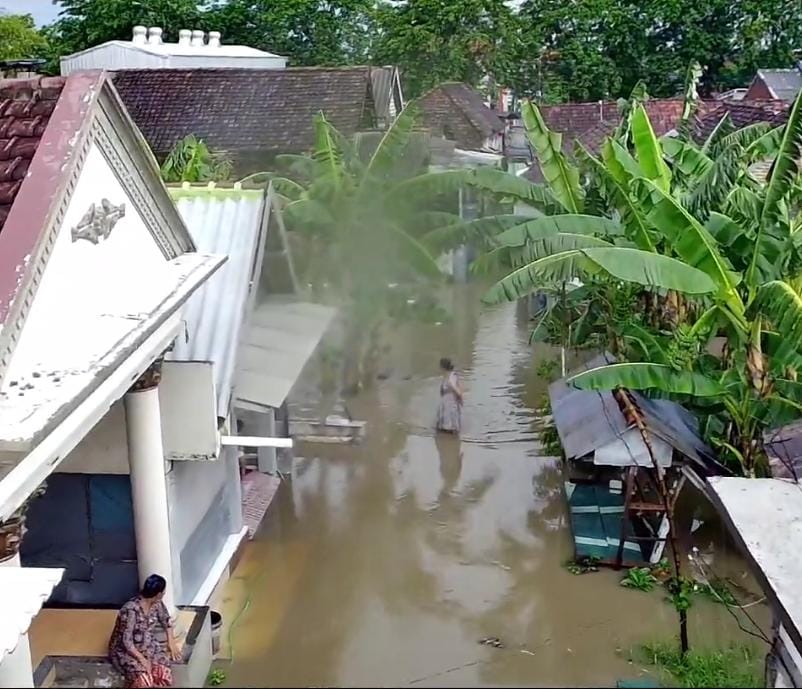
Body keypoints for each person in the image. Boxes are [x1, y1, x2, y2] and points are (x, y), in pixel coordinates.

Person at [109, 574, 181, 688]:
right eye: (163, 592)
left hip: (147, 646)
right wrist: (142, 660)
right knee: (144, 680)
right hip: (126, 651)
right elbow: (126, 642)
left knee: (163, 671)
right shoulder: (130, 610)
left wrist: (171, 642)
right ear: (158, 594)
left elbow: (166, 621)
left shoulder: (157, 604)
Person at [436, 357, 463, 434]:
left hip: (450, 402)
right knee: (446, 423)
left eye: (440, 366)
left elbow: (457, 389)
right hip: (447, 402)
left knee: (450, 424)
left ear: (443, 367)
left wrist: (460, 397)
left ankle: (450, 438)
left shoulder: (451, 377)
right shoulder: (449, 375)